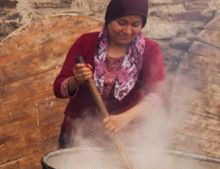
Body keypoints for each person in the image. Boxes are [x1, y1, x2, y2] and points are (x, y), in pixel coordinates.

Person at [53, 0, 166, 148]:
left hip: (125, 137)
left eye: (135, 24)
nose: (127, 30)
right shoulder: (86, 43)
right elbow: (58, 89)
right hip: (77, 134)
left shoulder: (150, 50)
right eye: (122, 22)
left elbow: (158, 96)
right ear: (109, 19)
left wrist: (125, 118)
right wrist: (76, 80)